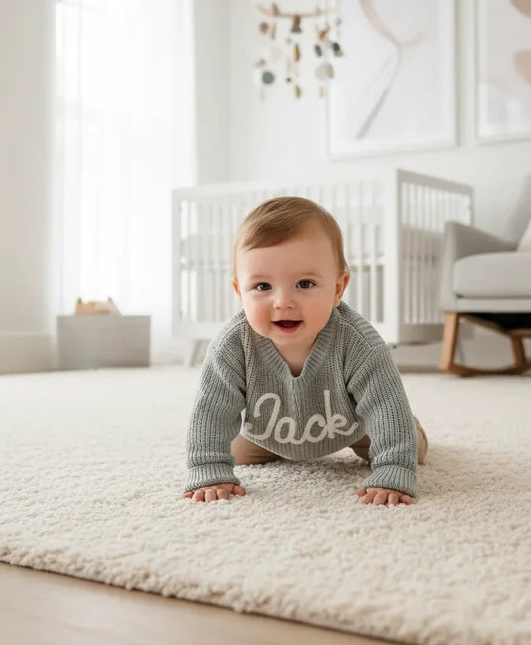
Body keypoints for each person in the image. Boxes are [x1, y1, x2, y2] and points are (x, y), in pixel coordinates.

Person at [183, 196, 428, 506]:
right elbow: (211, 411)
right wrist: (208, 468)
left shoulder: (359, 344)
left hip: (353, 428)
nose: (283, 301)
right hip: (267, 434)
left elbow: (384, 405)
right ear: (240, 293)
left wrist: (394, 468)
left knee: (407, 445)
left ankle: (410, 426)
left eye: (304, 284)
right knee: (227, 450)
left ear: (337, 289)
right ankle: (270, 451)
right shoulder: (232, 346)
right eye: (262, 287)